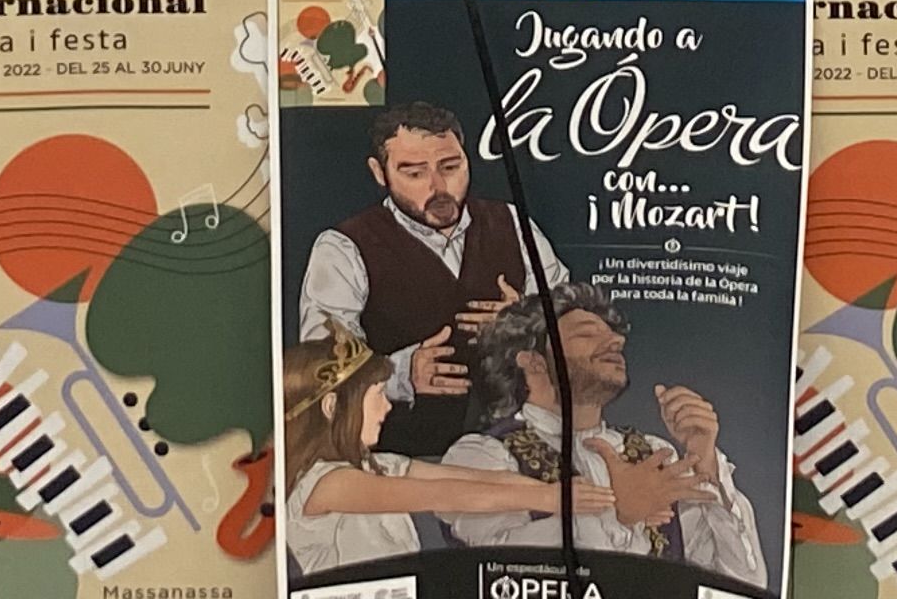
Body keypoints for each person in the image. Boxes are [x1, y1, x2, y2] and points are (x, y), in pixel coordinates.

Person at [293, 100, 572, 461]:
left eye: (451, 166)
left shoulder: (513, 225)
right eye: (414, 173)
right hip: (397, 464)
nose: (439, 187)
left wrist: (524, 321)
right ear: (380, 173)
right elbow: (321, 366)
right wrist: (400, 374)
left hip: (519, 457)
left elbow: (576, 320)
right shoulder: (343, 247)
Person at [276, 336, 685, 577]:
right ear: (331, 408)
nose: (387, 408)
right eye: (376, 397)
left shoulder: (376, 466)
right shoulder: (326, 483)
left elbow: (479, 481)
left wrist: (607, 500)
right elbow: (447, 496)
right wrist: (548, 499)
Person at [438, 285, 764, 581]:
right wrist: (618, 513)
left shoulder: (654, 453)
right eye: (585, 334)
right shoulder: (481, 456)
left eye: (612, 334)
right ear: (533, 361)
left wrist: (705, 462)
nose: (616, 341)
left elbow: (740, 584)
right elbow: (499, 571)